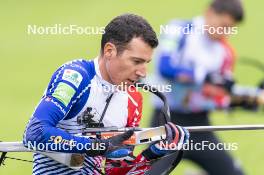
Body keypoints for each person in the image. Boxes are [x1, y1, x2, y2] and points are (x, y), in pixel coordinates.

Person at [22, 14, 189, 175]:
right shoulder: (75, 77)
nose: (143, 72)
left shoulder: (133, 99)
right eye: (136, 61)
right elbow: (34, 133)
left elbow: (115, 171)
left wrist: (153, 154)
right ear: (109, 51)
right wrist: (97, 146)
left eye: (146, 63)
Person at [150, 0, 245, 174]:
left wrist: (249, 98)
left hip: (200, 125)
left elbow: (219, 97)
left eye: (230, 28)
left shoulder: (226, 52)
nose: (225, 32)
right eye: (223, 26)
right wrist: (204, 76)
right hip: (167, 124)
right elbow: (164, 67)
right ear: (209, 12)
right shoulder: (178, 29)